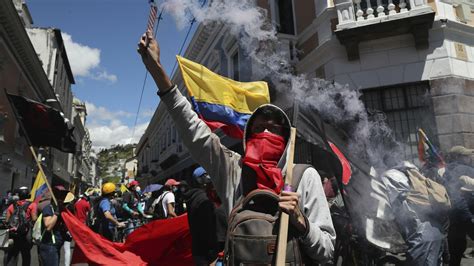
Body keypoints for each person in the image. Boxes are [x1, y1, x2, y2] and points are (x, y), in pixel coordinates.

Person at [137, 31, 336, 264]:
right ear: (248, 136)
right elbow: (192, 128)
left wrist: (302, 223)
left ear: (286, 138)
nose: (267, 135)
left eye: (274, 130)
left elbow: (327, 250)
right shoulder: (233, 170)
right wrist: (158, 71)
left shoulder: (304, 176)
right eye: (260, 129)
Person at [444, 146, 474, 266]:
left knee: (456, 249)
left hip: (453, 215)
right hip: (468, 213)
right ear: (457, 157)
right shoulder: (466, 170)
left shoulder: (445, 171)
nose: (469, 158)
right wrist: (469, 217)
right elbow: (457, 197)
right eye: (466, 156)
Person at [36, 185, 71, 266]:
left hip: (56, 245)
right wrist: (57, 212)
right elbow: (48, 226)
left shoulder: (61, 209)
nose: (63, 198)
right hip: (49, 245)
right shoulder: (48, 208)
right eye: (61, 195)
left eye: (64, 196)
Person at [3, 187, 37, 266]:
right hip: (26, 235)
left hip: (14, 235)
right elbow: (34, 219)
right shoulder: (32, 205)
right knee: (26, 256)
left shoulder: (12, 206)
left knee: (13, 256)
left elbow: (7, 221)